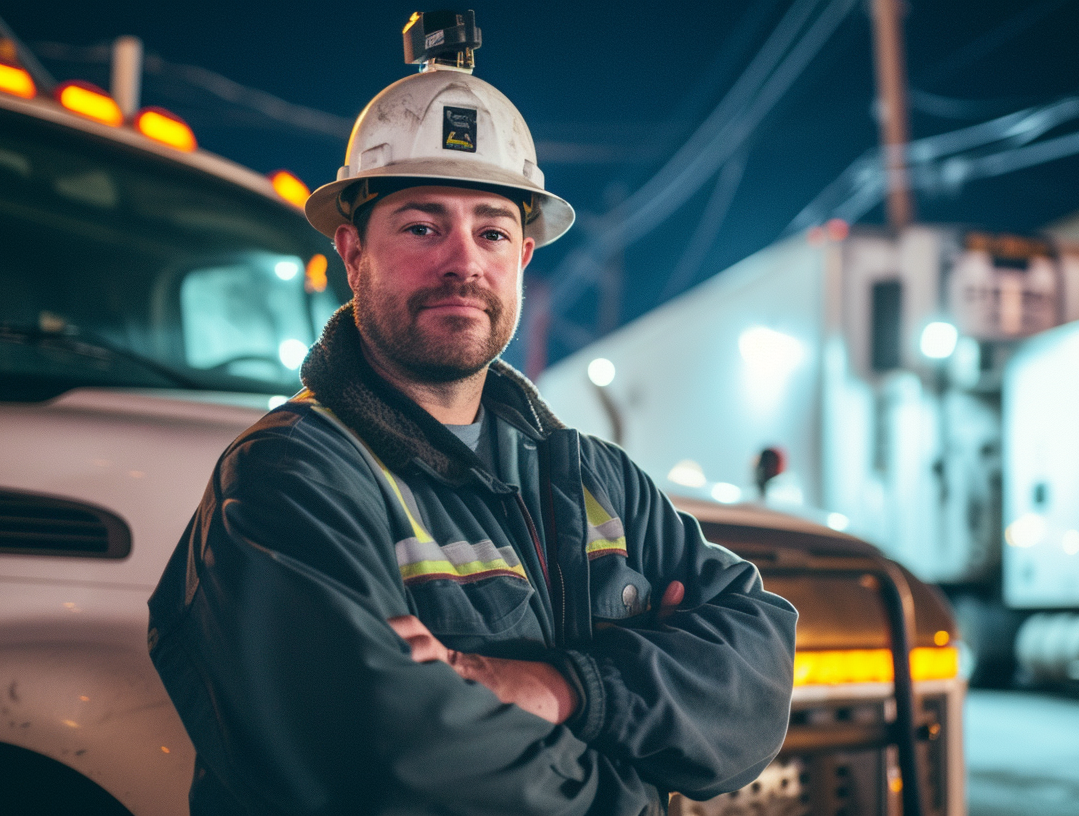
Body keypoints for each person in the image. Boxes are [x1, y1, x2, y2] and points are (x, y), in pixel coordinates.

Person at [147, 46, 797, 816]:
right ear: (353, 255)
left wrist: (562, 689)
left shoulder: (593, 477)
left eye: (492, 233)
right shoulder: (289, 477)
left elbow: (758, 664)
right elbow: (396, 765)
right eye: (422, 227)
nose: (464, 263)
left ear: (523, 257)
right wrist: (640, 781)